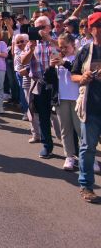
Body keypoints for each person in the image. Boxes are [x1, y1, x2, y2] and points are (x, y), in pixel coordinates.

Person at [70, 12, 101, 203]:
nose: (100, 30)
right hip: (90, 107)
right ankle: (86, 186)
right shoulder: (85, 50)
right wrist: (83, 77)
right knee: (88, 148)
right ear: (90, 29)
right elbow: (73, 74)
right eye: (97, 26)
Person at [21, 16, 59, 159]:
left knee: (60, 116)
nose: (40, 31)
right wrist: (30, 49)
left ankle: (71, 148)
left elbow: (64, 51)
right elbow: (23, 60)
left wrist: (49, 39)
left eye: (43, 27)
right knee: (43, 116)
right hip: (39, 83)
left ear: (49, 27)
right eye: (38, 27)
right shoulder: (32, 43)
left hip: (56, 83)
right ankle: (47, 146)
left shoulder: (56, 39)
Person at [51, 33, 81, 171]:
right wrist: (51, 67)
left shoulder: (79, 57)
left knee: (81, 130)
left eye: (65, 47)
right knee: (65, 129)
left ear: (73, 45)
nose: (62, 49)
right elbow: (50, 80)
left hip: (77, 98)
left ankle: (88, 158)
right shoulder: (58, 58)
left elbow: (78, 70)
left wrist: (64, 63)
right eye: (60, 47)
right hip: (62, 98)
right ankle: (69, 157)